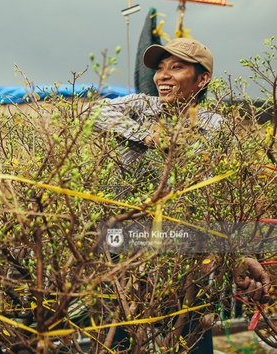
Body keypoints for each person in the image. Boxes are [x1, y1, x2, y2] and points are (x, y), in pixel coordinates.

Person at [88, 38, 270, 353]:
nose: (163, 76)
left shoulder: (216, 128)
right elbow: (91, 111)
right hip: (126, 248)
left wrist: (237, 255)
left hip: (183, 253)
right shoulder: (142, 107)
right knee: (118, 335)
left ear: (202, 79)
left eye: (176, 67)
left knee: (193, 333)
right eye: (160, 69)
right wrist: (144, 135)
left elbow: (218, 200)